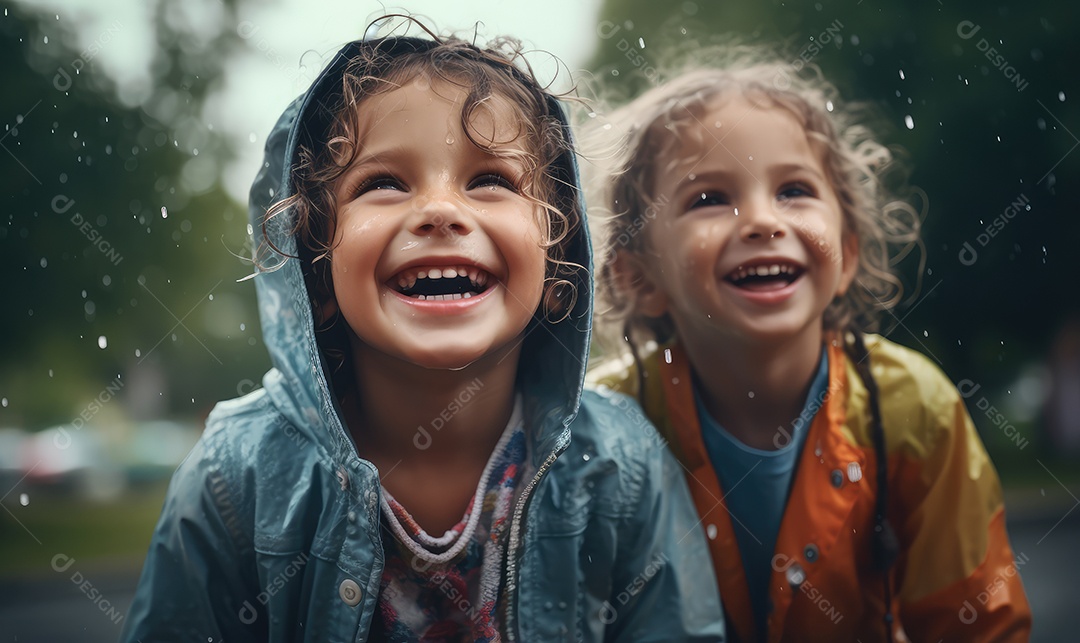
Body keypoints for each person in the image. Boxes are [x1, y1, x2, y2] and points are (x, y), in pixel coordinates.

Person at [121, 20, 725, 643]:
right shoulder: (236, 475)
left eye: (490, 180)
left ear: (556, 261)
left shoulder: (621, 464)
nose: (440, 210)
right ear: (317, 275)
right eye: (383, 184)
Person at [586, 48, 1032, 642]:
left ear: (845, 254)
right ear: (640, 278)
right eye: (709, 199)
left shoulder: (910, 409)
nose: (762, 221)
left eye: (794, 189)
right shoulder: (607, 428)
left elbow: (976, 623)